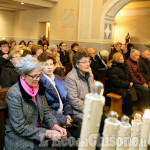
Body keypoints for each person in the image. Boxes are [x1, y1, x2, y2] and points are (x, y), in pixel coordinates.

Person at [4, 55, 67, 150]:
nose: (38, 79)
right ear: (23, 75)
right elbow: (20, 127)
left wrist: (55, 125)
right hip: (21, 138)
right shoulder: (14, 94)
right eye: (34, 76)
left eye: (39, 75)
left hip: (38, 130)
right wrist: (47, 133)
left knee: (66, 141)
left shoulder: (39, 88)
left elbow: (46, 112)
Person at [38, 52, 80, 139]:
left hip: (64, 115)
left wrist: (68, 114)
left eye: (51, 64)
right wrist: (63, 119)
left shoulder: (58, 79)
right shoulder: (39, 82)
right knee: (67, 139)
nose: (49, 67)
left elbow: (66, 100)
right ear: (40, 66)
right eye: (46, 64)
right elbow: (45, 108)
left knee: (80, 132)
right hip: (51, 119)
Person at [65, 51, 94, 120]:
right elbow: (73, 100)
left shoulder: (89, 75)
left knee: (103, 119)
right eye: (84, 62)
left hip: (89, 106)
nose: (88, 64)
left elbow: (93, 93)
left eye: (88, 61)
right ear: (77, 64)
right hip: (78, 111)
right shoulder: (71, 78)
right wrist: (89, 109)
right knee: (95, 120)